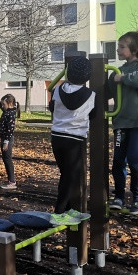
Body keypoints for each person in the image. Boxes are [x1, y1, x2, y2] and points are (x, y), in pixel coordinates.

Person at [107, 31, 138, 215]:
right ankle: (119, 196)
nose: (118, 50)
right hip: (121, 122)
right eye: (118, 46)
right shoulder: (118, 71)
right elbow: (107, 91)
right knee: (118, 161)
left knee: (135, 159)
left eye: (122, 47)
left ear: (134, 50)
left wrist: (123, 78)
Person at [49, 56, 95, 217]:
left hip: (57, 138)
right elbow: (94, 115)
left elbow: (52, 108)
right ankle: (59, 213)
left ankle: (68, 211)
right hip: (75, 140)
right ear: (88, 76)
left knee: (67, 174)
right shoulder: (91, 94)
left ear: (68, 73)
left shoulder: (56, 90)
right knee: (70, 176)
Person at [0, 94, 20, 190]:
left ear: (10, 103)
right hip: (4, 138)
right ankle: (10, 180)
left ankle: (12, 182)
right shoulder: (7, 111)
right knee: (6, 159)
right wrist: (3, 101)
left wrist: (6, 142)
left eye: (4, 104)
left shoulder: (10, 114)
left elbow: (10, 130)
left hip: (7, 139)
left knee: (7, 159)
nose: (2, 106)